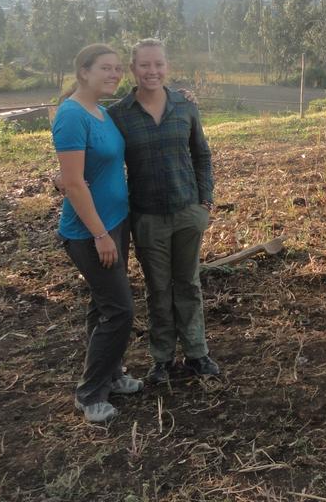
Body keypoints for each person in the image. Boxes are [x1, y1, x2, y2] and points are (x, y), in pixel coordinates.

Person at [108, 39, 219, 384]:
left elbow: (201, 154)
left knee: (188, 283)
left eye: (158, 64)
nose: (152, 71)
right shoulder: (118, 115)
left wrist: (205, 201)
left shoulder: (185, 106)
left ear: (166, 67)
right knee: (158, 288)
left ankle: (197, 353)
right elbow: (104, 158)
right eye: (144, 65)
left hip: (188, 211)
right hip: (148, 217)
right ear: (133, 69)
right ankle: (162, 359)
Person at [52, 44, 143, 423]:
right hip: (91, 231)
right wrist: (100, 235)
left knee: (103, 306)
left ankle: (112, 374)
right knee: (120, 311)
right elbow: (73, 184)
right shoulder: (72, 116)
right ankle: (90, 394)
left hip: (115, 221)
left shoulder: (101, 112)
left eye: (118, 69)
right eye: (106, 68)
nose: (114, 74)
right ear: (83, 71)